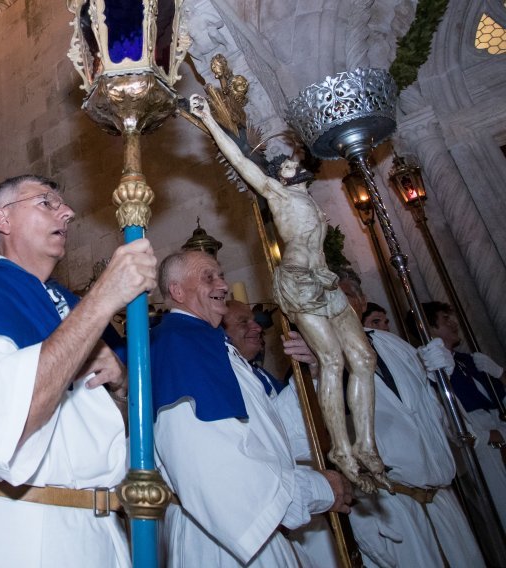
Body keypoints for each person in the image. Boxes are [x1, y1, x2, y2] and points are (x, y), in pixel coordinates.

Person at [0, 174, 157, 566]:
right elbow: (6, 421)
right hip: (16, 531)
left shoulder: (69, 305)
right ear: (3, 220)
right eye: (46, 202)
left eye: (63, 204)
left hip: (98, 533)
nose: (69, 212)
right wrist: (105, 296)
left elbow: (111, 431)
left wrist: (122, 385)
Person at [189, 93, 387, 493]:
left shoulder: (310, 200)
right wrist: (209, 119)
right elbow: (242, 162)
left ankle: (366, 444)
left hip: (326, 281)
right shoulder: (276, 194)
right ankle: (341, 451)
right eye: (286, 164)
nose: (292, 164)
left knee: (363, 358)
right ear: (279, 175)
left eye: (294, 161)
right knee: (330, 360)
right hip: (299, 280)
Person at [151, 250, 352, 567]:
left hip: (250, 533)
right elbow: (210, 464)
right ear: (177, 291)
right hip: (224, 539)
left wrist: (314, 373)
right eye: (209, 277)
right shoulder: (181, 343)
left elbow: (274, 434)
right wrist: (314, 489)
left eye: (221, 274)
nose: (223, 284)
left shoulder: (211, 343)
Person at [338, 278, 485, 567]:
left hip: (443, 499)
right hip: (395, 507)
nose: (338, 304)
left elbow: (441, 419)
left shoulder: (392, 343)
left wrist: (440, 377)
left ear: (362, 301)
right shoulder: (328, 360)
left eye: (345, 295)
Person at [222, 299, 340, 567]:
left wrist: (314, 370)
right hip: (271, 514)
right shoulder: (223, 380)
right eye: (244, 322)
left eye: (254, 320)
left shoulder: (262, 377)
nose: (257, 327)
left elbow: (307, 429)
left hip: (309, 509)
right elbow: (275, 442)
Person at [419, 300, 506, 528]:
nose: (453, 323)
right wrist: (489, 435)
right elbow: (444, 418)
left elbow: (500, 395)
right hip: (478, 443)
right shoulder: (428, 367)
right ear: (430, 329)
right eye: (445, 320)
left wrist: (499, 373)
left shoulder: (469, 360)